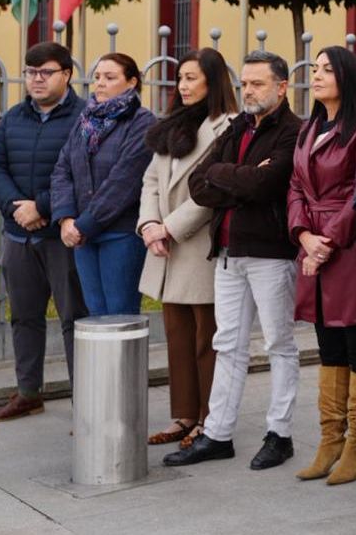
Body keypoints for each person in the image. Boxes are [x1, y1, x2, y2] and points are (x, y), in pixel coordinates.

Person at [164, 51, 301, 471]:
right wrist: (238, 175)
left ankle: (280, 434)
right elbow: (198, 183)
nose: (248, 92)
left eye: (258, 84)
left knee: (279, 344)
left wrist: (231, 175)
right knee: (227, 345)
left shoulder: (292, 131)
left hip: (270, 254)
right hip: (225, 252)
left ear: (282, 86)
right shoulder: (239, 125)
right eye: (244, 84)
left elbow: (265, 185)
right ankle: (217, 433)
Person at [289, 47, 356, 485]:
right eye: (315, 69)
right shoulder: (309, 127)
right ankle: (330, 437)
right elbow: (295, 186)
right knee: (327, 343)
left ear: (347, 79)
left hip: (350, 249)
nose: (317, 75)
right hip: (314, 244)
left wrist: (327, 241)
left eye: (327, 70)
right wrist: (305, 237)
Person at [0, 41, 87, 422]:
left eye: (45, 72)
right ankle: (28, 391)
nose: (36, 80)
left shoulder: (83, 117)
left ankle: (86, 400)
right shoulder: (14, 117)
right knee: (24, 317)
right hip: (18, 235)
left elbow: (82, 174)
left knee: (74, 319)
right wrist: (17, 208)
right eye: (30, 72)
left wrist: (41, 208)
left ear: (66, 74)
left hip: (61, 236)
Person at [138, 48, 236, 448]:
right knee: (177, 336)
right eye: (181, 78)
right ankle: (183, 416)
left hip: (198, 246)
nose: (183, 86)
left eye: (192, 78)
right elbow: (151, 181)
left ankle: (209, 422)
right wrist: (148, 225)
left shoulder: (227, 126)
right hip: (163, 247)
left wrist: (170, 228)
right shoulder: (173, 125)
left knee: (205, 338)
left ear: (212, 82)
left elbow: (213, 188)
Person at [51, 52, 156, 317]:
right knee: (95, 314)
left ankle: (123, 362)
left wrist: (83, 224)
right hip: (83, 236)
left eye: (110, 77)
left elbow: (124, 181)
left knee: (120, 315)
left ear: (131, 82)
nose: (100, 83)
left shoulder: (142, 121)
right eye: (98, 77)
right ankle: (101, 363)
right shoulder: (87, 119)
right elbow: (63, 168)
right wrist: (65, 219)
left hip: (120, 234)